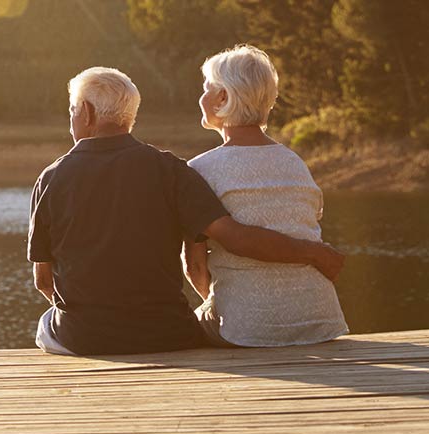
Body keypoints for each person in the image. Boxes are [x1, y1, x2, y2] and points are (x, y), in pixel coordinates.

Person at [29, 66, 343, 356]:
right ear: (130, 116)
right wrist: (313, 252)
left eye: (72, 110)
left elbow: (44, 281)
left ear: (85, 113)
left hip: (84, 338)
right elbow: (221, 244)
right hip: (167, 334)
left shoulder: (50, 178)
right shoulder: (173, 171)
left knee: (46, 324)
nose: (71, 119)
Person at [185, 45, 349, 347]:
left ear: (223, 97)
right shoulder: (295, 162)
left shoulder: (199, 170)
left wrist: (220, 304)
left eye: (207, 89)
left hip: (247, 330)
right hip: (320, 322)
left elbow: (195, 267)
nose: (202, 97)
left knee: (186, 327)